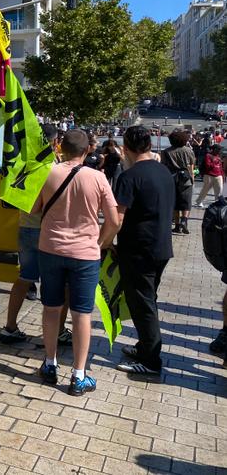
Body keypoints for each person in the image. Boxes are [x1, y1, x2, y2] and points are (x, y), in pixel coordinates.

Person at [34, 129, 120, 396]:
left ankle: (50, 364)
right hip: (84, 254)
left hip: (50, 249)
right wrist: (101, 242)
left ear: (60, 148)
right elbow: (114, 220)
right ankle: (79, 375)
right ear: (87, 151)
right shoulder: (98, 178)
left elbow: (35, 208)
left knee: (51, 307)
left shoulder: (47, 173)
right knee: (81, 314)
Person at [111, 125, 175, 375]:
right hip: (160, 248)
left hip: (139, 250)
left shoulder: (130, 176)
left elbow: (117, 218)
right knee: (147, 300)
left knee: (143, 304)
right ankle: (144, 346)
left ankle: (150, 361)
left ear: (125, 148)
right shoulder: (163, 171)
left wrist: (104, 242)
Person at [0, 124, 72, 344]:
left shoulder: (23, 163)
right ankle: (58, 331)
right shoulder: (53, 166)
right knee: (62, 283)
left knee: (24, 278)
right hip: (48, 228)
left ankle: (10, 326)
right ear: (53, 142)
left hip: (26, 226)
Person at [160, 129, 195, 234]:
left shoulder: (166, 152)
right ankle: (184, 221)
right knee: (186, 201)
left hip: (171, 178)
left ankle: (177, 225)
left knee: (174, 202)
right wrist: (192, 177)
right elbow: (191, 165)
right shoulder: (188, 150)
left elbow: (164, 166)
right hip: (185, 178)